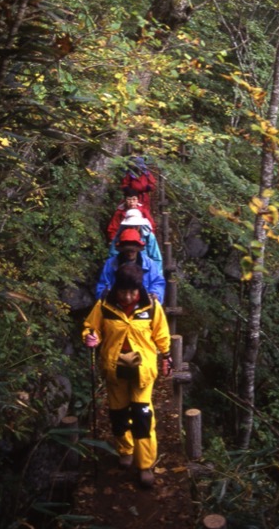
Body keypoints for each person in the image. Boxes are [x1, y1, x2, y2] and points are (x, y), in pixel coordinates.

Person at [83, 263, 173, 488]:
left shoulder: (151, 306)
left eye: (132, 291)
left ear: (139, 288)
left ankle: (145, 465)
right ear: (116, 288)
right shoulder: (104, 306)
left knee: (142, 416)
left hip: (142, 371)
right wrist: (90, 336)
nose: (128, 296)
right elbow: (91, 327)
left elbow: (161, 333)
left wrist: (166, 356)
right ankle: (125, 450)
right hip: (115, 370)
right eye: (123, 291)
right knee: (118, 415)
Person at [96, 228, 165, 303]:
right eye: (127, 250)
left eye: (132, 251)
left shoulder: (149, 264)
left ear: (138, 249)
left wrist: (155, 294)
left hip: (144, 303)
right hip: (116, 304)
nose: (129, 253)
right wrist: (104, 294)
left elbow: (158, 282)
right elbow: (102, 284)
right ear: (122, 249)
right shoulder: (111, 264)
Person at [109, 208, 163, 275]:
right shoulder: (119, 237)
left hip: (145, 269)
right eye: (130, 226)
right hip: (123, 270)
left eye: (135, 225)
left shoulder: (148, 236)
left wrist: (155, 275)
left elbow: (156, 258)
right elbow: (113, 255)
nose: (133, 228)